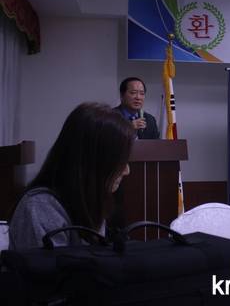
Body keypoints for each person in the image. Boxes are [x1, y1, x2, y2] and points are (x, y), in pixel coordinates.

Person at [8, 103, 135, 250]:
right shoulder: (40, 208)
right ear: (93, 161)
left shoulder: (90, 198)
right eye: (120, 161)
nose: (127, 170)